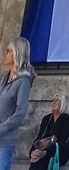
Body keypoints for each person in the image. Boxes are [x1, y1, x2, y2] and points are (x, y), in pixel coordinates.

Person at [0, 37, 36, 170]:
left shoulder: (23, 81)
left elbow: (20, 113)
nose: (6, 53)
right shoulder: (4, 76)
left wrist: (2, 128)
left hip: (6, 140)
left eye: (8, 51)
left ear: (17, 53)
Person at [29, 95, 69, 170]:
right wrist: (33, 152)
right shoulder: (46, 119)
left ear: (62, 105)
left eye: (56, 102)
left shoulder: (66, 119)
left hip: (59, 152)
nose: (53, 103)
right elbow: (39, 136)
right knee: (36, 158)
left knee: (43, 160)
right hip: (44, 149)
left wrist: (46, 152)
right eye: (53, 101)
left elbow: (63, 142)